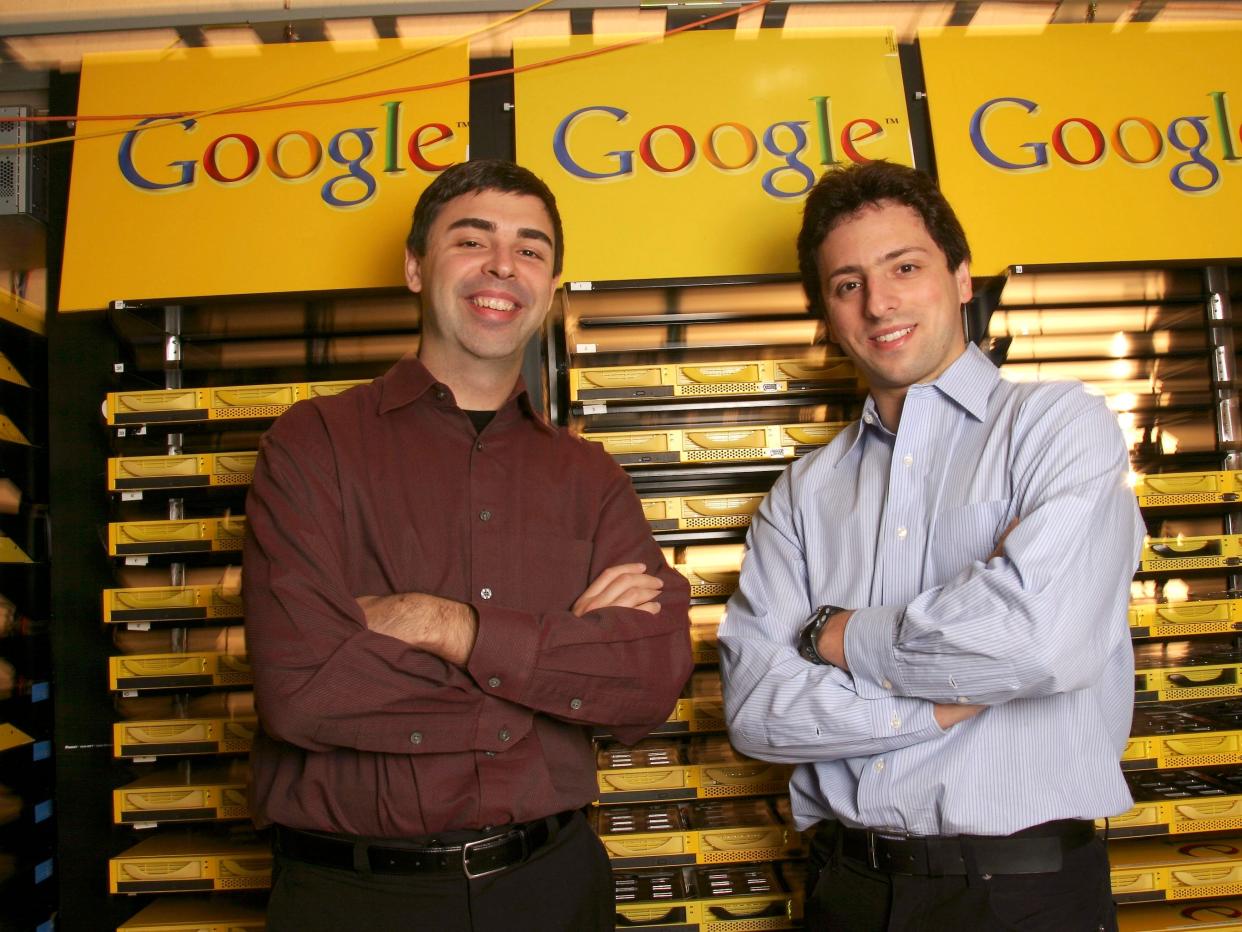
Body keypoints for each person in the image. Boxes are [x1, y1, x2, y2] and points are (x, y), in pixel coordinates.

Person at [243, 159, 692, 932]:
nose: (503, 267)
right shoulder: (312, 444)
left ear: (550, 285)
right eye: (472, 240)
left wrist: (442, 625)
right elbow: (303, 686)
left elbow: (648, 682)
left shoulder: (590, 477)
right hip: (356, 902)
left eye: (531, 249)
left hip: (552, 887)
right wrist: (550, 677)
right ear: (415, 266)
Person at [718, 160, 1142, 931]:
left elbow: (1040, 645)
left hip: (1026, 895)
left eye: (904, 267)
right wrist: (952, 697)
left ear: (961, 277)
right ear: (827, 314)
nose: (879, 303)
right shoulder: (803, 494)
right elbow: (756, 711)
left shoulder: (1057, 428)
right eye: (847, 284)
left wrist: (838, 636)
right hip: (848, 892)